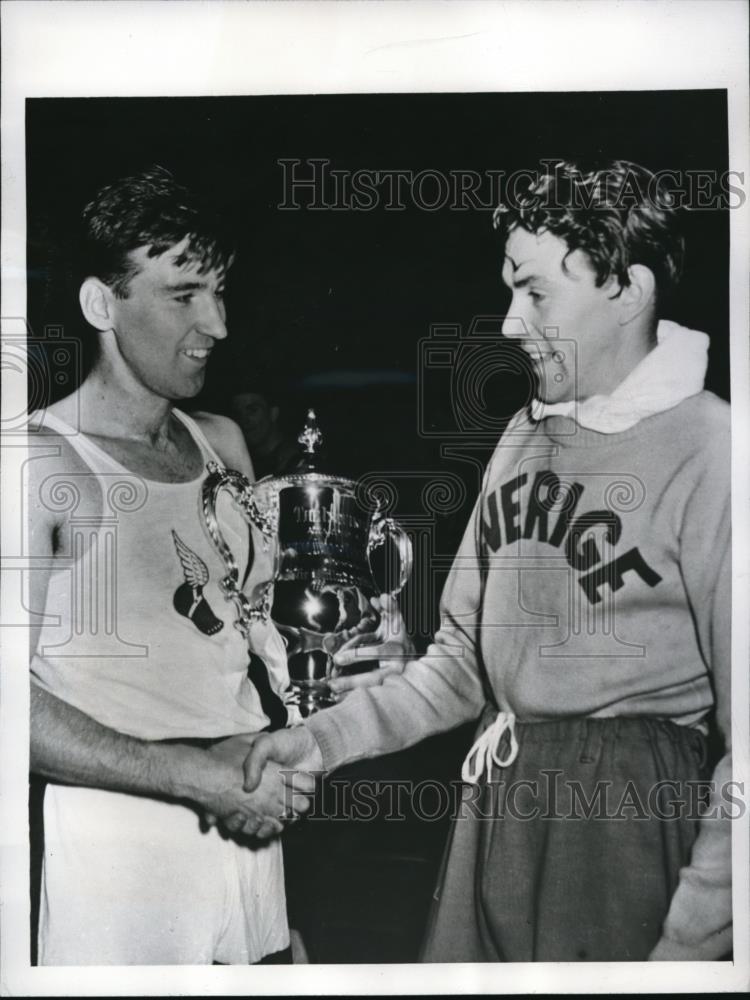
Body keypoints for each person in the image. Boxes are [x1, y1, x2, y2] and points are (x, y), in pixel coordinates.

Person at [242, 159, 733, 962]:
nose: (509, 323)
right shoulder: (521, 437)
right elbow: (457, 666)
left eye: (536, 293)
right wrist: (320, 741)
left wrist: (690, 947)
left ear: (628, 291)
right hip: (500, 806)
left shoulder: (712, 449)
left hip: (626, 828)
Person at [27, 165, 308, 966]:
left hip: (250, 824)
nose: (216, 323)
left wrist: (340, 673)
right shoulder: (37, 462)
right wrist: (190, 776)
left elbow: (256, 633)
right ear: (99, 304)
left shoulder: (222, 441)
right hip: (121, 844)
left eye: (221, 292)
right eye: (184, 294)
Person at [230, 384, 301, 480]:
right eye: (238, 413)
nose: (244, 420)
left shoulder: (295, 461)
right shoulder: (241, 461)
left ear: (273, 414)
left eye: (252, 410)